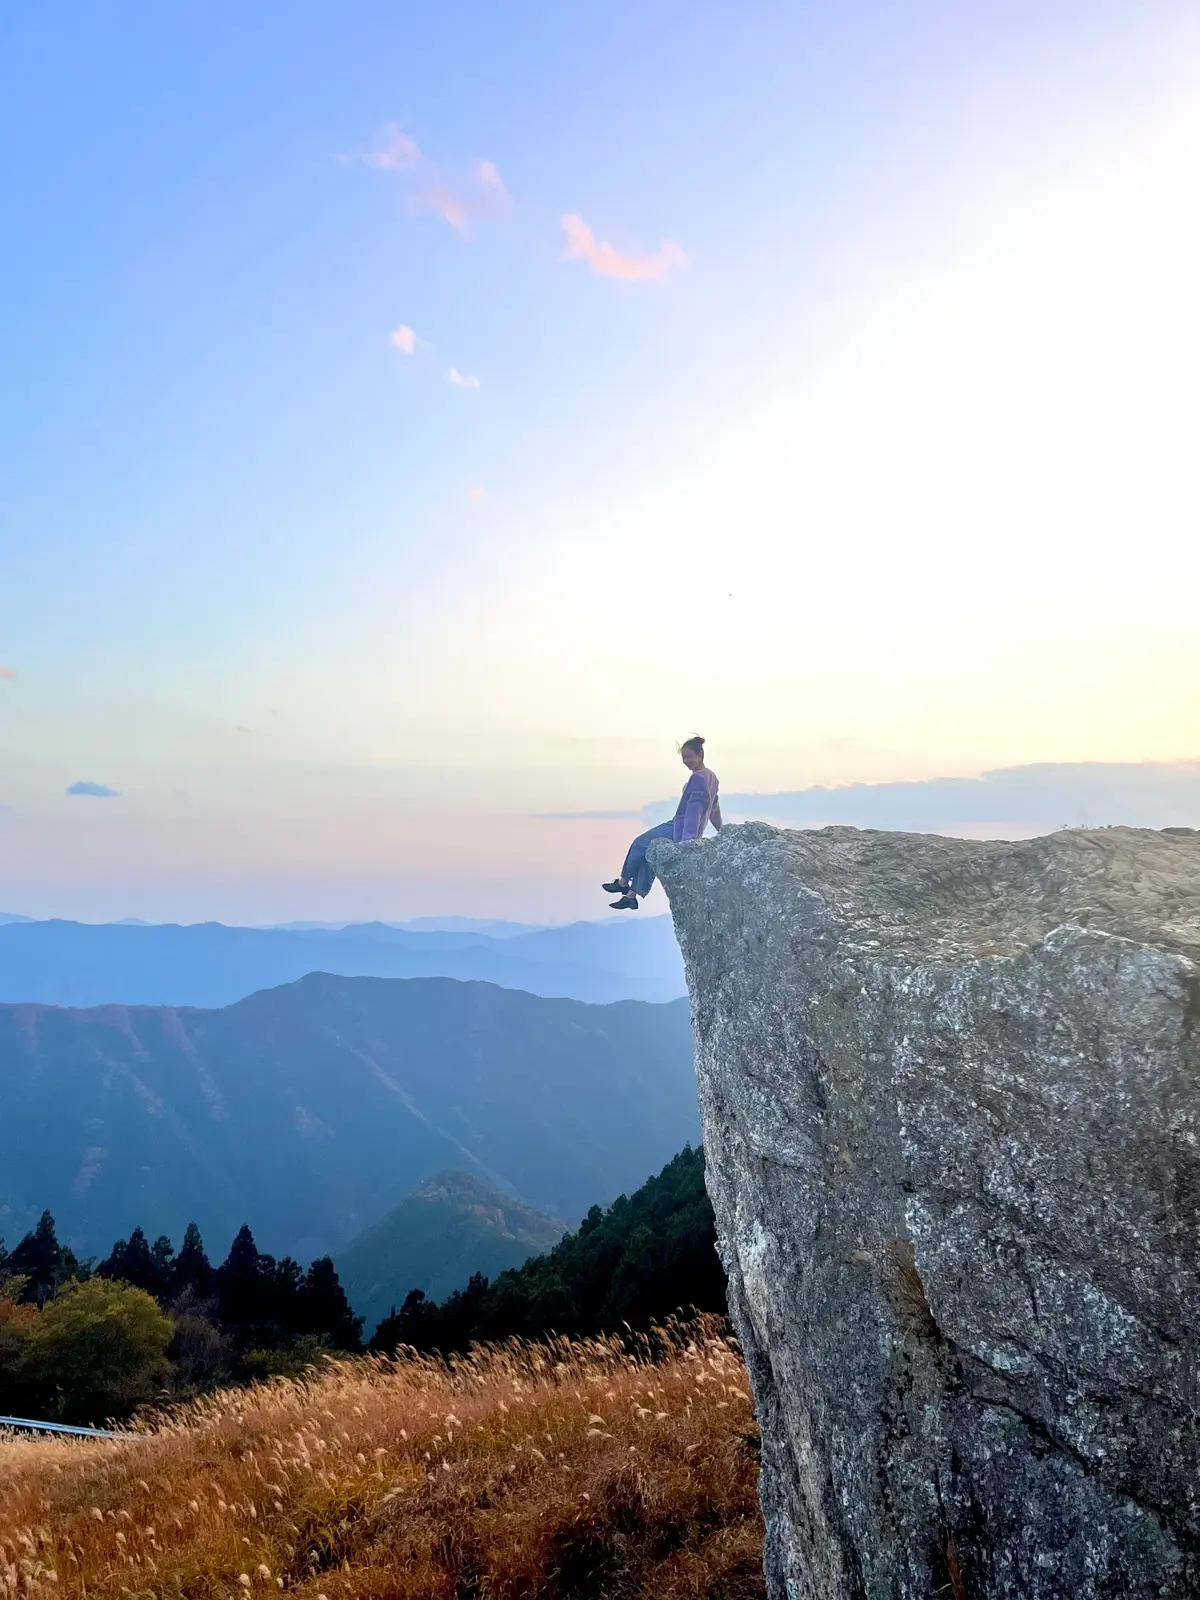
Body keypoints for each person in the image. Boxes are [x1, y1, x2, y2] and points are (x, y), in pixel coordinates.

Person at [603, 736, 722, 910]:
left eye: (690, 757)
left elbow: (693, 811)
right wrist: (722, 831)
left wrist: (686, 841)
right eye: (684, 758)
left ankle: (622, 881)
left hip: (679, 829)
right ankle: (631, 896)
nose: (686, 761)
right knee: (650, 854)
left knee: (639, 844)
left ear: (700, 754)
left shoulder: (698, 778)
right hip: (690, 831)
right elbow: (713, 807)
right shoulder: (712, 778)